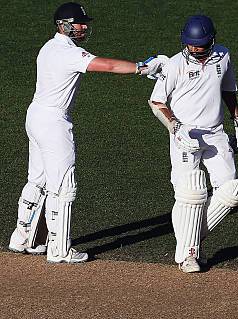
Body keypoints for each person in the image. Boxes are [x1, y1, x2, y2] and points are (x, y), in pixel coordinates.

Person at [8, 2, 165, 263]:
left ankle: (22, 237)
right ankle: (60, 250)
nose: (84, 27)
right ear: (65, 25)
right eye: (80, 23)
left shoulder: (49, 47)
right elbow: (108, 66)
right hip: (54, 121)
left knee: (38, 179)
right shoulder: (68, 53)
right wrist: (142, 67)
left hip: (35, 116)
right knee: (63, 186)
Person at [148, 15, 238, 273]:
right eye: (190, 46)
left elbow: (228, 91)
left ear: (212, 41)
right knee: (192, 194)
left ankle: (190, 240)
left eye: (201, 46)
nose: (195, 50)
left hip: (216, 132)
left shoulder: (223, 56)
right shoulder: (174, 65)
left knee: (230, 190)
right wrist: (176, 127)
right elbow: (156, 102)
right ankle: (190, 254)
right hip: (186, 135)